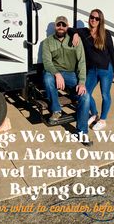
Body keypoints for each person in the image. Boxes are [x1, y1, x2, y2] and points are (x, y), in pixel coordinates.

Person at [42, 16, 92, 145]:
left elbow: (82, 62)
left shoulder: (75, 41)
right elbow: (47, 62)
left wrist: (81, 82)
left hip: (70, 74)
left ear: (67, 27)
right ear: (55, 26)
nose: (61, 27)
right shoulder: (47, 42)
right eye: (58, 24)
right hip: (54, 72)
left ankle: (81, 132)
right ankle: (56, 110)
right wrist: (57, 74)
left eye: (63, 25)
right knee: (47, 78)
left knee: (85, 96)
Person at [69, 9, 114, 131]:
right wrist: (75, 34)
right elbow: (69, 29)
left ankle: (102, 120)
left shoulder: (106, 34)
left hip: (106, 69)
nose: (93, 20)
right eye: (92, 17)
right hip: (92, 69)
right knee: (86, 93)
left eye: (97, 18)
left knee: (105, 94)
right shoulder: (84, 32)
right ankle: (95, 114)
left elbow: (112, 52)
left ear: (100, 21)